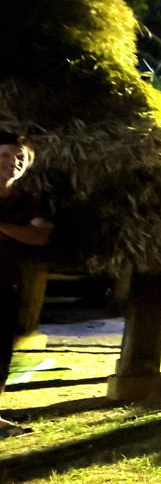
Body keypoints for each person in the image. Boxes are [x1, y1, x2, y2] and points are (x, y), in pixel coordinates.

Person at [0, 132, 53, 438]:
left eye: (20, 157)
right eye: (7, 155)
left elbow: (41, 236)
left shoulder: (27, 202)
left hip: (6, 285)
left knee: (1, 352)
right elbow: (29, 233)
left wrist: (4, 228)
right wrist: (18, 232)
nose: (14, 162)